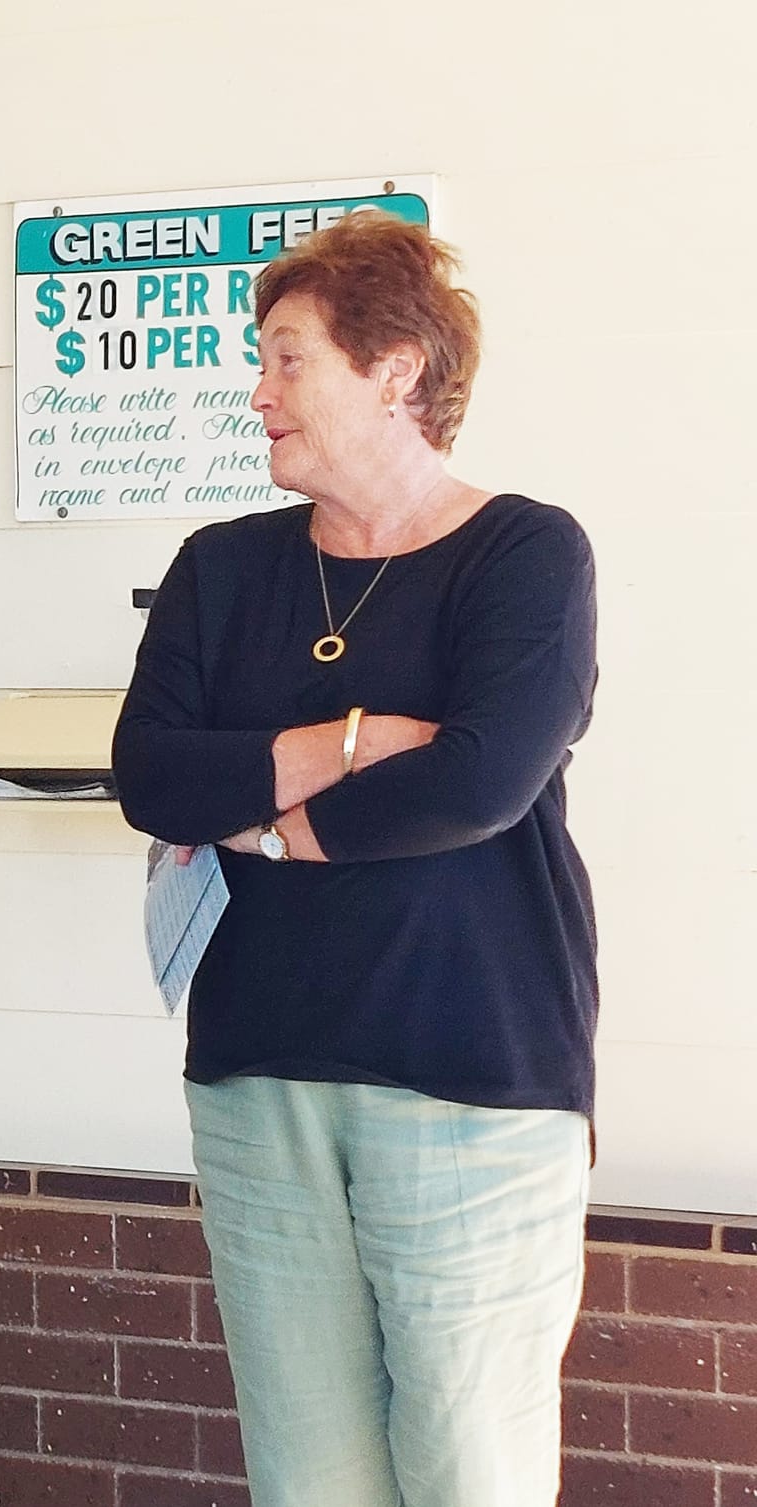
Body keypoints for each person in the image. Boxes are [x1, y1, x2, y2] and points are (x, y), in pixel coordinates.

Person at [112, 210, 597, 1507]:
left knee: (466, 1473)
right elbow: (152, 776)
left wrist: (261, 814)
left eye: (286, 359)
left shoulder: (524, 553)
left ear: (396, 370)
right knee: (308, 1479)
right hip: (259, 1075)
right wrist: (357, 738)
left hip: (471, 1081)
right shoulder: (222, 570)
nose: (255, 391)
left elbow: (480, 782)